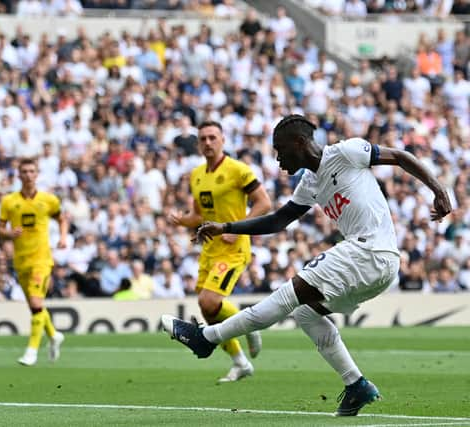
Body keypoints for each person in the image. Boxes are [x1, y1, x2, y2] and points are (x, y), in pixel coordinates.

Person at [161, 115, 452, 415]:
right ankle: (356, 384)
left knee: (289, 296)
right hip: (376, 263)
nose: (277, 159)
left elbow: (401, 156)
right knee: (304, 312)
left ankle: (207, 338)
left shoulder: (346, 152)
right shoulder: (309, 183)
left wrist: (439, 189)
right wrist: (227, 227)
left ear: (299, 143)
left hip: (370, 251)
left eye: (280, 150)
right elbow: (278, 220)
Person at [166, 121, 271, 383]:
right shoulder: (196, 175)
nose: (208, 143)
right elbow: (199, 215)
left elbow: (264, 203)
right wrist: (183, 220)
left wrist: (239, 228)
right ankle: (240, 362)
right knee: (208, 311)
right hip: (209, 249)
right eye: (203, 139)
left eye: (213, 137)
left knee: (208, 302)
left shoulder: (238, 170)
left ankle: (250, 326)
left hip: (233, 248)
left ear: (223, 140)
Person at [0, 158, 68, 366]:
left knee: (37, 303)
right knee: (35, 307)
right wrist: (9, 233)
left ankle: (31, 351)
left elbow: (62, 218)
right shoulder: (9, 201)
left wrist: (63, 237)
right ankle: (54, 335)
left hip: (42, 260)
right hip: (20, 261)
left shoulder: (49, 200)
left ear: (37, 175)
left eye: (32, 171)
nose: (28, 175)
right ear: (19, 175)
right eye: (24, 171)